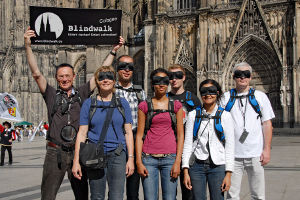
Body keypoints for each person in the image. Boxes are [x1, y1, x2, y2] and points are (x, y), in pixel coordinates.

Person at [24, 27, 101, 200]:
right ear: (56, 78)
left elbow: (98, 76)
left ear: (74, 76)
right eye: (60, 77)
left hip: (77, 152)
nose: (64, 79)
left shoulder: (81, 93)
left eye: (67, 76)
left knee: (82, 195)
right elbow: (36, 74)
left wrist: (113, 51)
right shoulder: (51, 94)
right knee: (48, 196)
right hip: (55, 152)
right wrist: (27, 46)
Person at [72, 66, 135, 200]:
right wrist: (76, 161)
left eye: (109, 77)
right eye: (101, 77)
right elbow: (82, 133)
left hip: (118, 154)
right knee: (96, 196)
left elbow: (128, 133)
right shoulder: (89, 103)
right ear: (97, 81)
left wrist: (130, 158)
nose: (105, 80)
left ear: (114, 81)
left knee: (117, 196)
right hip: (95, 154)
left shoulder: (122, 103)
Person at [221, 62, 275, 200]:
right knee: (232, 195)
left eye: (246, 74)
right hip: (233, 155)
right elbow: (218, 125)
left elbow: (267, 124)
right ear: (233, 77)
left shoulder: (260, 96)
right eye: (239, 74)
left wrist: (267, 149)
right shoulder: (225, 98)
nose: (242, 77)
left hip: (255, 153)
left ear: (251, 77)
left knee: (258, 195)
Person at [103, 38, 146, 200]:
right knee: (115, 188)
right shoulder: (109, 91)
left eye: (130, 67)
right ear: (116, 69)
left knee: (133, 188)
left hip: (135, 141)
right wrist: (114, 50)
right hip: (115, 141)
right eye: (122, 67)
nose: (127, 70)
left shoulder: (140, 92)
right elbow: (102, 70)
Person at [136, 68, 184, 200]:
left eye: (164, 81)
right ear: (152, 83)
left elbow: (180, 136)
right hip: (148, 158)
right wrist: (139, 162)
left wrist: (177, 162)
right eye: (157, 81)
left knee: (170, 198)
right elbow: (139, 136)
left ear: (168, 83)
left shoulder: (176, 106)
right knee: (150, 198)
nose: (161, 84)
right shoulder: (144, 106)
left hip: (170, 158)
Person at [182, 79, 235, 200]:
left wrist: (228, 174)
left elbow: (230, 146)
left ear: (218, 93)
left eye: (211, 91)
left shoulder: (225, 116)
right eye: (204, 92)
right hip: (196, 166)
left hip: (218, 166)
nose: (208, 95)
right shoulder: (193, 115)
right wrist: (185, 170)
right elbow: (188, 144)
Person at [167, 64, 201, 200]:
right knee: (170, 191)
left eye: (178, 76)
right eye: (171, 76)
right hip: (169, 148)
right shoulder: (164, 98)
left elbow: (200, 125)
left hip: (188, 149)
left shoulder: (192, 99)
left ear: (184, 78)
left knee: (189, 191)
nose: (174, 79)